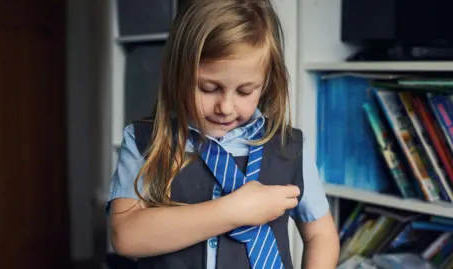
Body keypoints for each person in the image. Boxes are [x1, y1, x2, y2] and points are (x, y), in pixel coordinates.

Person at [106, 0, 340, 268]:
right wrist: (234, 211)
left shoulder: (291, 147)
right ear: (177, 74)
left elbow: (321, 234)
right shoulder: (142, 141)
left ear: (266, 84)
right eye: (207, 88)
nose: (225, 108)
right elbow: (125, 236)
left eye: (245, 91)